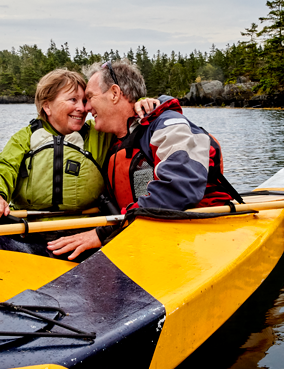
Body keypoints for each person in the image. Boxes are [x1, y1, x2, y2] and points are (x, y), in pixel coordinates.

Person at [47, 59, 238, 260]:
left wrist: (104, 233)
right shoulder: (114, 142)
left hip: (197, 237)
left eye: (90, 97)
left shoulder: (168, 125)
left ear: (114, 93)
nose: (86, 108)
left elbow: (181, 187)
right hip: (142, 235)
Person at [0, 68, 113, 217]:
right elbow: (2, 170)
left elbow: (126, 111)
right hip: (29, 229)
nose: (82, 108)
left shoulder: (100, 134)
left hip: (86, 229)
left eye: (84, 101)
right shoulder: (24, 138)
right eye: (73, 99)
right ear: (47, 106)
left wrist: (141, 103)